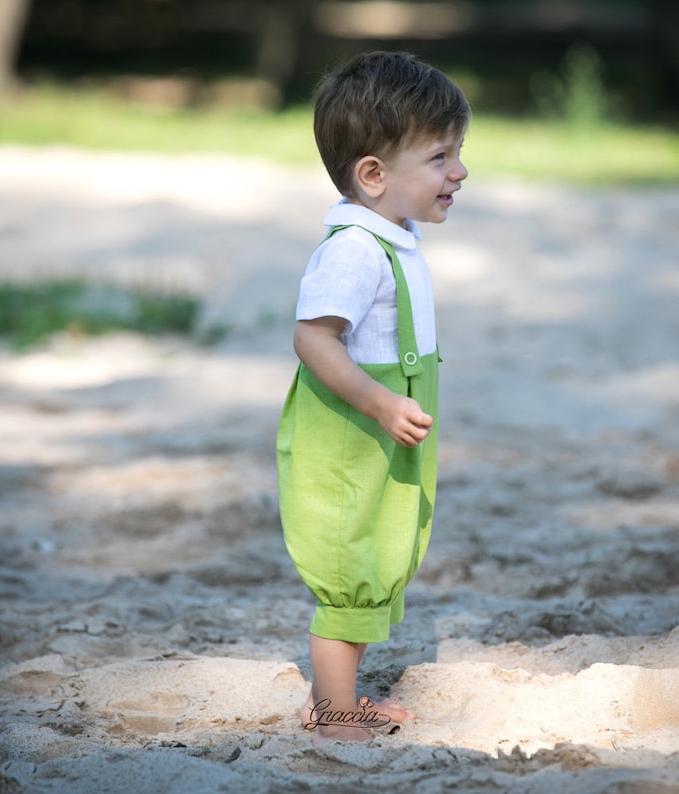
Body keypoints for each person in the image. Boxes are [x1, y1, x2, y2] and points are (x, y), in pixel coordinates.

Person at [276, 50, 470, 744]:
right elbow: (313, 339)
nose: (460, 172)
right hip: (353, 438)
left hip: (384, 431)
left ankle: (341, 698)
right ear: (374, 175)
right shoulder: (355, 249)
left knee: (381, 552)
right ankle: (334, 717)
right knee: (348, 565)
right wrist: (380, 403)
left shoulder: (397, 233)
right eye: (442, 156)